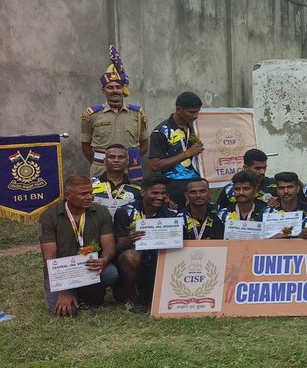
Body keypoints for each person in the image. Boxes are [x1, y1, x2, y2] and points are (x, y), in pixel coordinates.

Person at [39, 175, 118, 317]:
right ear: (68, 195)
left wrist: (104, 260)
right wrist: (63, 291)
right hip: (61, 272)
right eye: (83, 194)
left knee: (111, 272)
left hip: (88, 267)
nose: (89, 197)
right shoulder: (49, 216)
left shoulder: (101, 212)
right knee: (64, 313)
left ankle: (88, 294)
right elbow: (49, 258)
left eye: (90, 193)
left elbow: (109, 246)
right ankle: (75, 293)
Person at [112, 175, 184, 313]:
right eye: (155, 193)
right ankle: (131, 295)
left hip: (158, 261)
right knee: (130, 256)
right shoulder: (125, 212)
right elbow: (119, 247)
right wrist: (130, 238)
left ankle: (164, 292)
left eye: (163, 193)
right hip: (134, 263)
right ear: (143, 192)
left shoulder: (171, 214)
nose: (160, 197)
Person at [81, 46, 148, 180]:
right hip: (100, 169)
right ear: (103, 90)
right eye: (110, 87)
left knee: (131, 199)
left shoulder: (137, 113)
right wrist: (103, 162)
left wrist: (127, 161)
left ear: (124, 90)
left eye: (118, 87)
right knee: (99, 200)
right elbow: (85, 146)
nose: (115, 91)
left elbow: (145, 145)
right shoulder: (92, 114)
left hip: (130, 170)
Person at [148, 91, 204, 209]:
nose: (196, 116)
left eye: (198, 111)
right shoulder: (161, 132)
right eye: (192, 112)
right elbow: (155, 165)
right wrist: (188, 153)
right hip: (172, 186)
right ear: (179, 109)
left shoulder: (192, 127)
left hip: (194, 185)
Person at [271, 172, 307, 240]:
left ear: (298, 188)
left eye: (290, 187)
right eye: (281, 188)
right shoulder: (267, 212)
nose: (286, 191)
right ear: (277, 191)